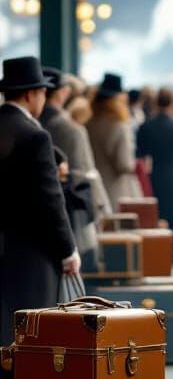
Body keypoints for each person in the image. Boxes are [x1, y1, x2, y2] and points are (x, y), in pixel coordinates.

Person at [0, 57, 79, 379]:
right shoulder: (35, 138)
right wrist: (68, 251)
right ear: (34, 94)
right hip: (28, 271)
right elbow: (50, 202)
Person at [40, 67, 110, 265]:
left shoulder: (35, 123)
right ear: (63, 92)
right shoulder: (72, 129)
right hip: (72, 216)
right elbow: (86, 175)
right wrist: (101, 210)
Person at [137, 88, 173, 259]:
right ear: (172, 103)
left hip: (154, 176)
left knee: (156, 217)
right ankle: (172, 260)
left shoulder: (146, 126)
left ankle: (156, 258)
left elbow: (140, 153)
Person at [87, 73, 141, 208]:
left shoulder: (88, 123)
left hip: (93, 189)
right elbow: (125, 165)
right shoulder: (119, 125)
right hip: (116, 190)